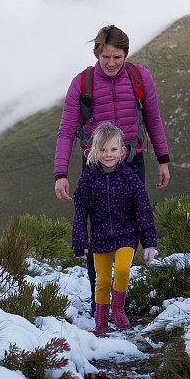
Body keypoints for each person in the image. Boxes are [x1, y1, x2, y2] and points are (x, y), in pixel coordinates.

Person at [54, 24, 170, 314]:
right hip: (95, 165)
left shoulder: (140, 78)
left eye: (117, 57)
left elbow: (154, 120)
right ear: (97, 53)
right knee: (99, 234)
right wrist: (61, 174)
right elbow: (67, 131)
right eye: (106, 56)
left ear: (125, 54)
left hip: (132, 161)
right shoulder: (82, 83)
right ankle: (99, 302)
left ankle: (120, 298)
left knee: (129, 230)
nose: (111, 63)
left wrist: (164, 159)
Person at [71, 122, 156, 334]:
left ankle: (118, 309)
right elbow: (80, 210)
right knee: (102, 281)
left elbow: (143, 210)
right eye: (103, 149)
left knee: (121, 270)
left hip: (126, 235)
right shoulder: (89, 178)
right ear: (94, 151)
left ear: (123, 151)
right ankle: (100, 324)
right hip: (99, 239)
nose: (108, 154)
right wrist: (80, 242)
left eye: (113, 149)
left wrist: (149, 242)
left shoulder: (130, 178)